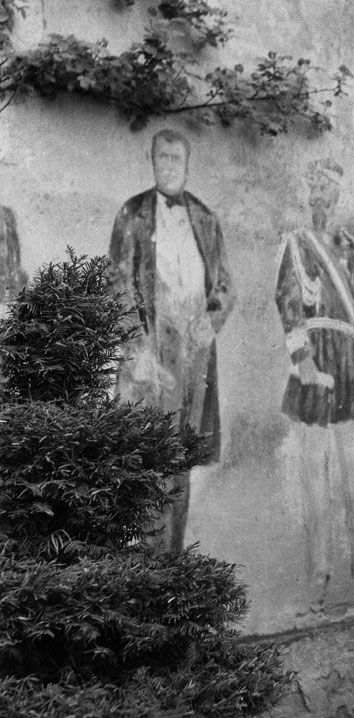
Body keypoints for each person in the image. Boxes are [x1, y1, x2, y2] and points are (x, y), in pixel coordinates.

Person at [109, 128, 235, 552]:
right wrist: (136, 352)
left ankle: (171, 567)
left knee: (179, 465)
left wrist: (210, 323)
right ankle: (143, 569)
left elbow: (224, 290)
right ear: (152, 162)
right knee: (146, 462)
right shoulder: (133, 214)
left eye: (175, 159)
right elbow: (118, 287)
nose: (168, 166)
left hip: (192, 361)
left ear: (186, 164)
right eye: (161, 158)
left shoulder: (204, 217)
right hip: (151, 357)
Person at [275, 157, 354, 598]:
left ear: (338, 195)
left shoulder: (352, 246)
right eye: (314, 188)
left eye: (328, 189)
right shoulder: (295, 243)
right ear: (307, 194)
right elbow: (287, 300)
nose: (321, 196)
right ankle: (319, 571)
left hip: (348, 360)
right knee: (315, 475)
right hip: (314, 354)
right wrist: (303, 360)